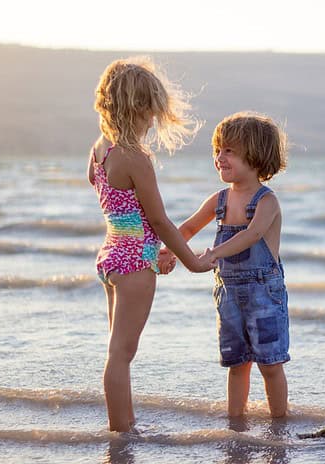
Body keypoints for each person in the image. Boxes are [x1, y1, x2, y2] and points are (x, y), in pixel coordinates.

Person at [87, 56, 215, 432]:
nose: (152, 123)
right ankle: (122, 432)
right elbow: (158, 220)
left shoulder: (100, 149)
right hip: (133, 268)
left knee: (116, 352)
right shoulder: (135, 159)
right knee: (121, 355)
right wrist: (192, 261)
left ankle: (123, 425)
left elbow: (106, 196)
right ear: (139, 109)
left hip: (110, 258)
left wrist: (144, 245)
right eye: (151, 114)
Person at [175, 111, 290, 418]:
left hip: (264, 296)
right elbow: (186, 229)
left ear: (256, 156)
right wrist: (170, 250)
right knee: (236, 363)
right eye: (217, 150)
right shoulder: (220, 200)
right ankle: (235, 422)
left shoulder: (267, 201)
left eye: (230, 151)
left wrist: (213, 254)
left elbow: (252, 236)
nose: (220, 157)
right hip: (229, 298)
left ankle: (279, 421)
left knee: (270, 364)